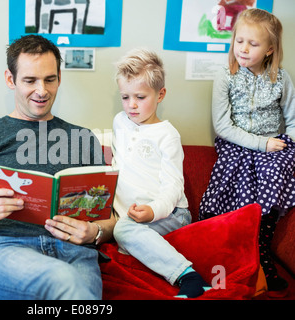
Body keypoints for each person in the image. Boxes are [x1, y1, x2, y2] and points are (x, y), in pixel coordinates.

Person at [0, 34, 116, 300]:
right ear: (10, 79)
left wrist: (95, 232)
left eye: (50, 79)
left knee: (78, 290)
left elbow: (108, 218)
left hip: (74, 250)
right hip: (3, 247)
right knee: (66, 282)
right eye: (29, 80)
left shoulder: (84, 138)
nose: (42, 90)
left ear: (59, 77)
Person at [199, 8, 295, 292]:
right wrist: (259, 143)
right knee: (237, 183)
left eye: (253, 44)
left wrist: (286, 143)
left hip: (272, 144)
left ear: (269, 50)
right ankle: (238, 255)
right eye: (239, 41)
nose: (243, 48)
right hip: (236, 144)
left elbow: (292, 120)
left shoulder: (281, 78)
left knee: (277, 168)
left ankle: (262, 252)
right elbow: (222, 126)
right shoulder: (226, 76)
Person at [111, 48, 210, 298]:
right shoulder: (119, 122)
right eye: (125, 97)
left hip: (171, 213)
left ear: (160, 94)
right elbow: (117, 165)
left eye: (140, 97)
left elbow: (174, 187)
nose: (131, 105)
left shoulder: (167, 135)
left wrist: (154, 211)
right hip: (131, 216)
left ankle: (187, 274)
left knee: (123, 232)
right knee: (120, 232)